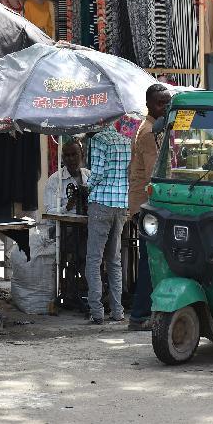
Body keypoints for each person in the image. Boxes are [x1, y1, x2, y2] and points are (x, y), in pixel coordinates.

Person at [128, 84, 171, 331]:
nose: (164, 107)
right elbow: (157, 172)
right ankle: (140, 314)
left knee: (152, 259)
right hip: (146, 205)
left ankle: (147, 311)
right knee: (149, 261)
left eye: (167, 103)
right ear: (149, 105)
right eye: (160, 103)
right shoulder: (148, 132)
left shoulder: (158, 128)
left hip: (146, 203)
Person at [85, 119, 132, 325]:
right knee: (114, 259)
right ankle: (118, 311)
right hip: (121, 204)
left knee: (94, 259)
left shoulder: (98, 140)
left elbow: (97, 172)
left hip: (101, 202)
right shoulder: (125, 140)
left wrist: (86, 187)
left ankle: (96, 312)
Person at [43, 139, 91, 216]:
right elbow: (49, 211)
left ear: (82, 155)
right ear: (63, 158)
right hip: (64, 225)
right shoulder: (54, 180)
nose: (71, 159)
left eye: (74, 154)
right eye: (67, 155)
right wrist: (67, 207)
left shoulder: (90, 176)